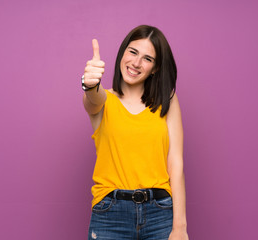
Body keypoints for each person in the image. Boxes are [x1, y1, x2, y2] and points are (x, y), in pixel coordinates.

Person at [82, 25, 189, 240]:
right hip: (110, 214)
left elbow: (175, 164)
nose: (136, 63)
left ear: (155, 68)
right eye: (132, 52)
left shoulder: (166, 100)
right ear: (122, 52)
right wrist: (89, 83)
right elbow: (93, 99)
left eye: (147, 59)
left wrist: (180, 227)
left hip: (160, 213)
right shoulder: (104, 100)